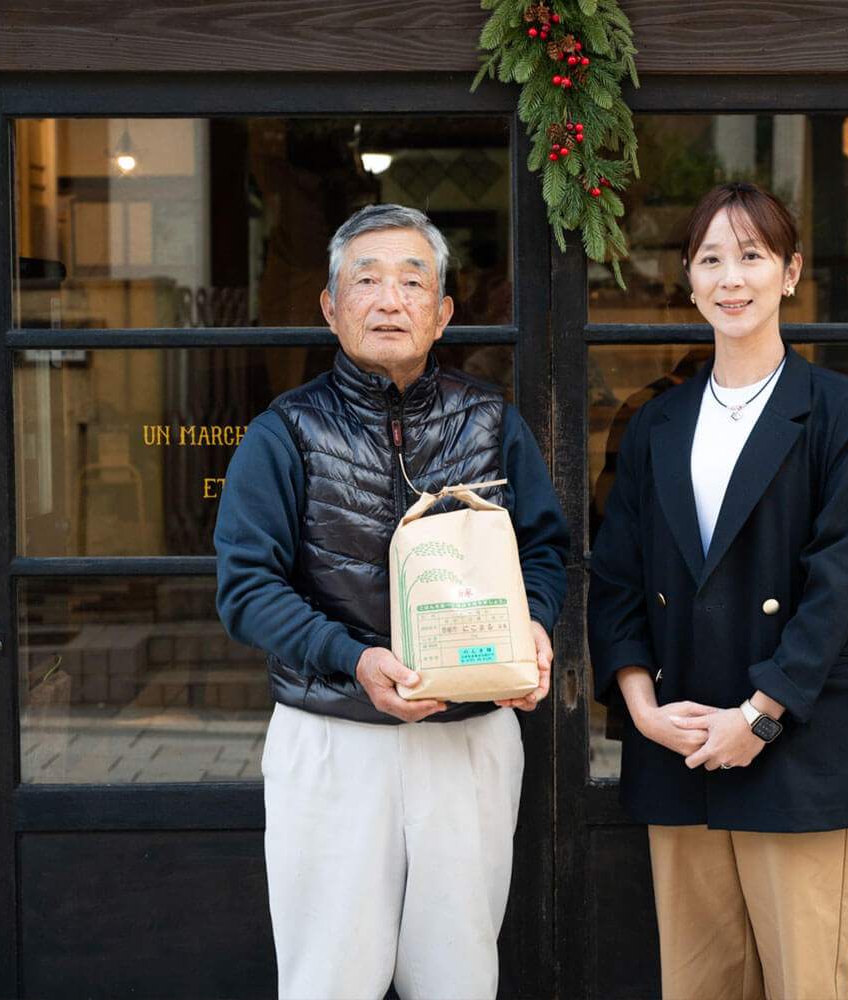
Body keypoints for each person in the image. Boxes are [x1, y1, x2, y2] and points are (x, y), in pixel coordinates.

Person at [214, 203, 569, 1000]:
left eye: (413, 281)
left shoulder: (490, 421)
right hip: (334, 737)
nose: (388, 299)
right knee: (328, 977)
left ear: (443, 312)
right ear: (331, 307)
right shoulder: (286, 433)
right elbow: (246, 590)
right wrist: (355, 658)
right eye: (365, 280)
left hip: (469, 734)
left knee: (461, 975)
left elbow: (546, 550)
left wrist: (535, 629)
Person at [587, 182, 848, 1000]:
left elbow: (841, 582)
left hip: (796, 746)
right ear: (687, 280)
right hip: (681, 743)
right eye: (711, 259)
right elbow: (615, 576)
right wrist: (642, 707)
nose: (732, 277)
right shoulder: (655, 424)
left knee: (805, 986)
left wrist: (761, 717)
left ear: (789, 273)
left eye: (752, 256)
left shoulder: (837, 411)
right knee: (698, 986)